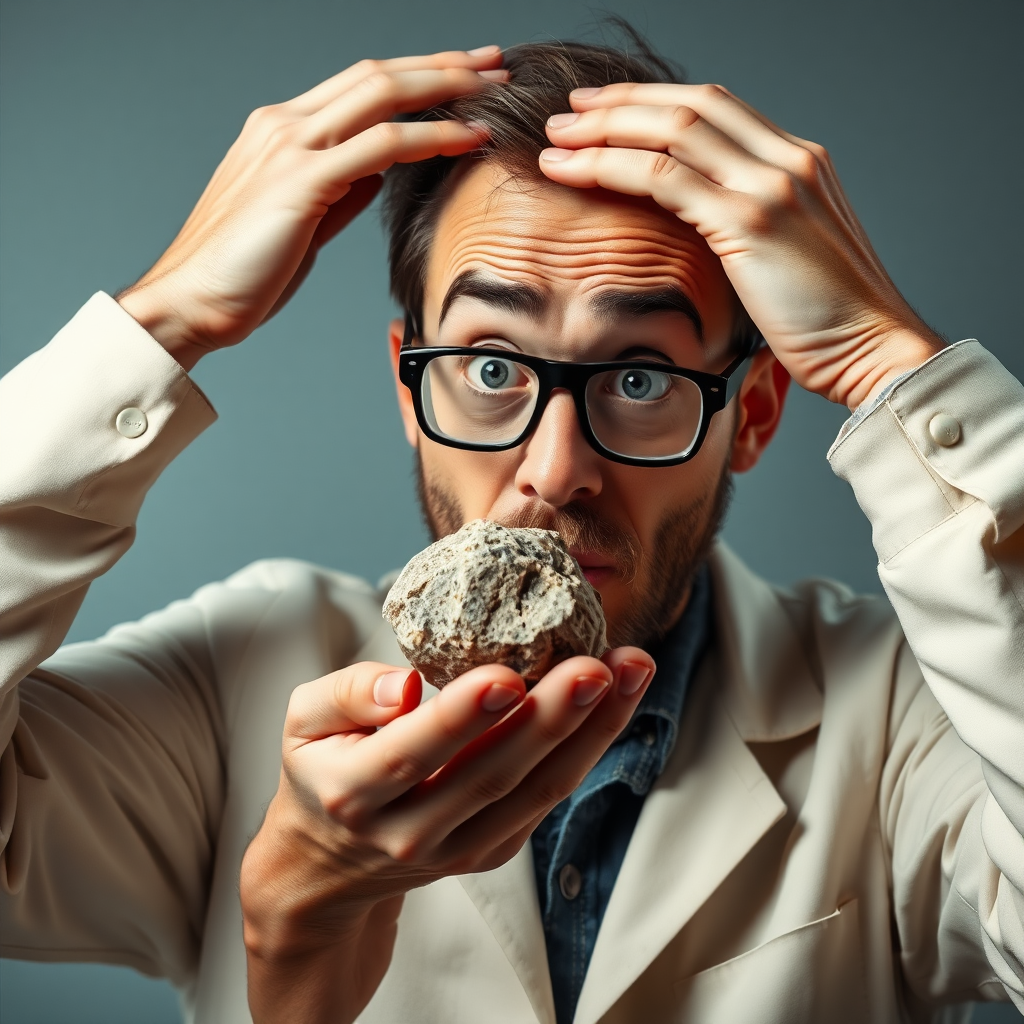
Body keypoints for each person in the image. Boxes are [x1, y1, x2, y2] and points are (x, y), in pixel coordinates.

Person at [0, 30, 1021, 1024]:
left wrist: (886, 360)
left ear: (749, 413)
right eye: (492, 368)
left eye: (639, 377)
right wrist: (160, 322)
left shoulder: (899, 714)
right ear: (409, 389)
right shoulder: (232, 683)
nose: (555, 469)